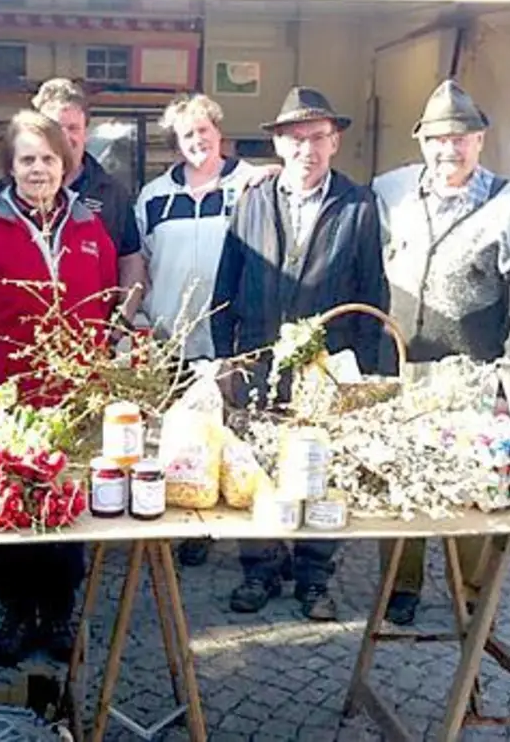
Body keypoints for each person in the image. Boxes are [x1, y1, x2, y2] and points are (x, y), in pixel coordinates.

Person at [371, 78, 510, 626]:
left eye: (461, 138)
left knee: (472, 482)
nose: (448, 149)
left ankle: (470, 591)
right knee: (400, 475)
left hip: (474, 369)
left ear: (480, 141)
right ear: (421, 143)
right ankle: (399, 586)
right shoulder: (390, 192)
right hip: (401, 366)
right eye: (437, 139)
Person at [210, 86, 390, 621]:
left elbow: (370, 291)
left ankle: (314, 578)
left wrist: (358, 372)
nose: (306, 148)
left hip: (327, 367)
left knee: (321, 471)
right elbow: (228, 281)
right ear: (279, 145)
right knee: (259, 467)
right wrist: (226, 357)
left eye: (317, 137)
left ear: (334, 143)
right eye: (295, 138)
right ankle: (260, 570)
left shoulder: (358, 204)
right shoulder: (252, 200)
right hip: (259, 356)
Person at [0, 110, 118, 666]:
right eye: (28, 159)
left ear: (66, 164)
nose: (39, 169)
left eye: (49, 158)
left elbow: (105, 299)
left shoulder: (91, 228)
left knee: (68, 513)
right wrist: (1, 373)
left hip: (75, 403)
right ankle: (19, 616)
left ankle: (60, 613)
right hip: (9, 405)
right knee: (15, 514)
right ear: (11, 166)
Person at [134, 93, 263, 568]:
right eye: (187, 135)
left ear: (218, 133)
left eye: (203, 132)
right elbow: (141, 263)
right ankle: (187, 523)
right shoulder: (153, 196)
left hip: (228, 337)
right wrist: (141, 322)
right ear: (176, 142)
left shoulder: (252, 185)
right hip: (171, 338)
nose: (196, 142)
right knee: (179, 435)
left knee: (231, 432)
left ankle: (244, 530)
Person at [0, 78, 145, 328]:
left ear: (86, 130)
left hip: (89, 344)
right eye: (53, 128)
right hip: (19, 341)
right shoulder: (4, 195)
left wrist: (119, 325)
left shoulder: (113, 194)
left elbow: (131, 262)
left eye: (73, 127)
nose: (63, 137)